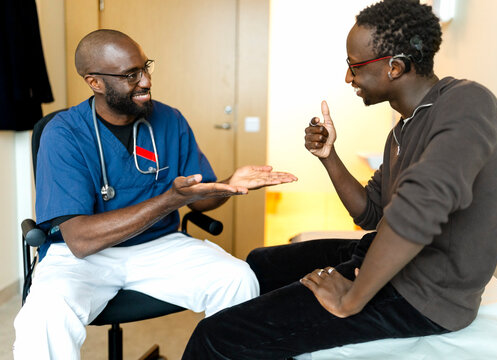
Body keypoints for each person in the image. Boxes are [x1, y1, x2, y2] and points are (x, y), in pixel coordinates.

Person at [180, 0, 497, 358]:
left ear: (394, 67)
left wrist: (351, 298)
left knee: (213, 337)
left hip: (423, 296)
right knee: (259, 263)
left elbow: (419, 209)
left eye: (354, 66)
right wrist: (329, 157)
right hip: (388, 263)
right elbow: (370, 213)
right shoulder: (402, 130)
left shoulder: (468, 103)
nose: (348, 78)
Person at [13, 29, 297, 359]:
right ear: (95, 82)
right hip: (81, 258)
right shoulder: (63, 134)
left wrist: (230, 183)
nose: (146, 81)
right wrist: (170, 200)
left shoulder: (169, 120)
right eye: (131, 75)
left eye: (145, 67)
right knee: (44, 316)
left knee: (237, 279)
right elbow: (79, 239)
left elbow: (198, 195)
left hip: (157, 244)